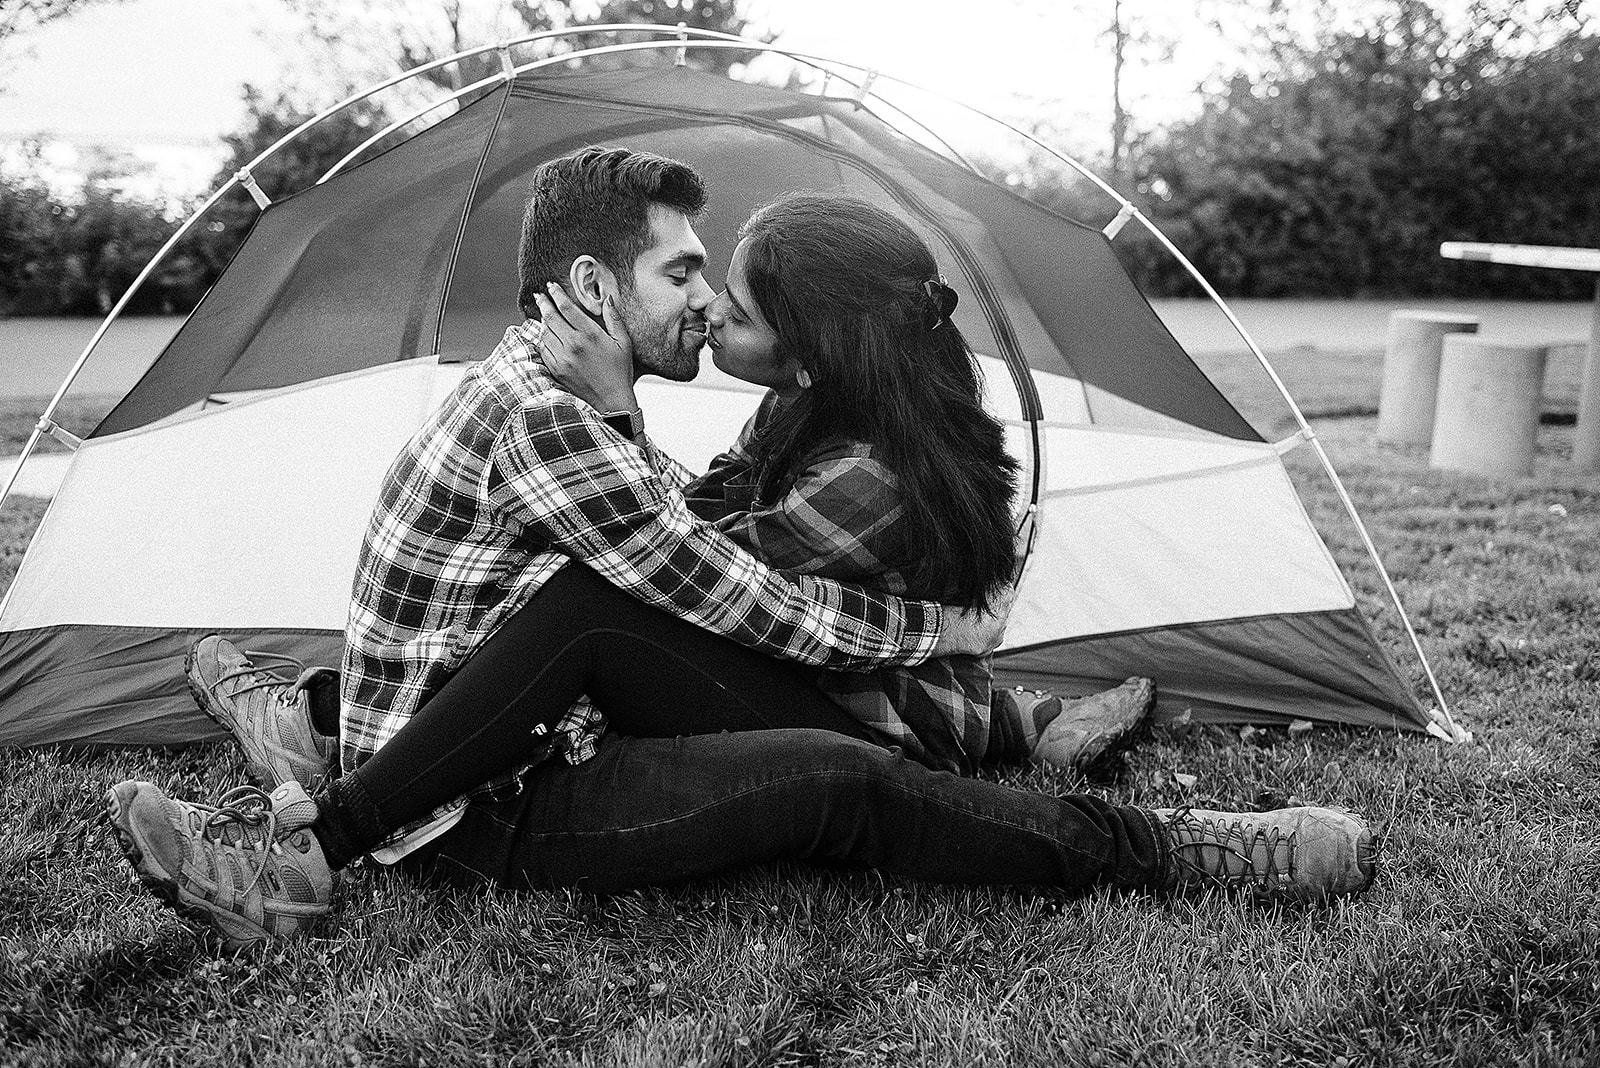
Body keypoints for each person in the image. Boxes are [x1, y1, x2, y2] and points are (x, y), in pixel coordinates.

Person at [104, 146, 1375, 949]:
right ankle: (1181, 849)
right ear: (598, 295)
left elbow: (689, 554)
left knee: (641, 626)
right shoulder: (558, 420)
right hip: (485, 801)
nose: (710, 307)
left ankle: (305, 806)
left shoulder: (572, 402)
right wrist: (940, 638)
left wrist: (934, 653)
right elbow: (729, 581)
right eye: (684, 274)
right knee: (829, 771)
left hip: (559, 706)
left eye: (727, 287)